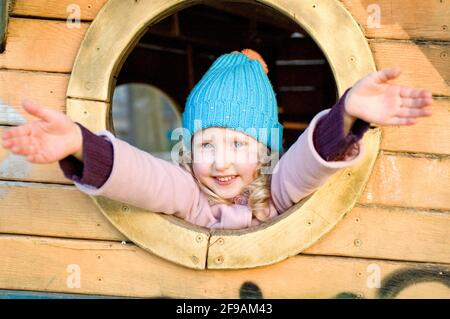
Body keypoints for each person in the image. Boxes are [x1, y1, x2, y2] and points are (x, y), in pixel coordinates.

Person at [1, 49, 433, 230]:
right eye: (206, 145)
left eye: (239, 144)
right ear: (189, 149)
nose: (222, 163)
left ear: (265, 150)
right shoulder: (189, 194)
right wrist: (81, 144)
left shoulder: (275, 194)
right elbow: (146, 178)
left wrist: (349, 114)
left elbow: (309, 158)